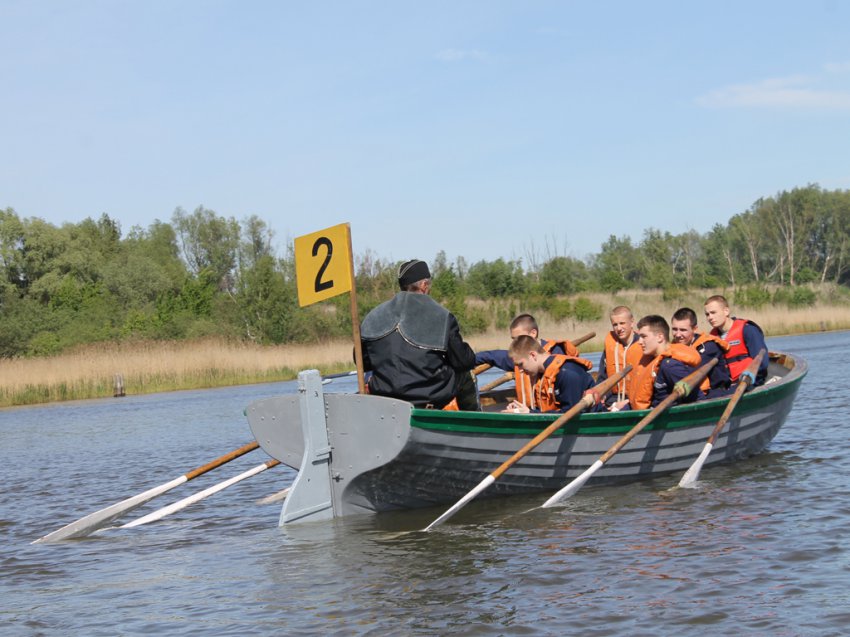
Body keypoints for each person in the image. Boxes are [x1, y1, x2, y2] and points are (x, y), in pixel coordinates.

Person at [360, 259, 478, 410]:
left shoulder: (373, 315)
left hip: (386, 399)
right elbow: (464, 361)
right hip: (428, 397)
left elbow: (363, 362)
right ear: (424, 285)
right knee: (466, 374)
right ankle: (473, 424)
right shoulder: (441, 316)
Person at [475, 313, 582, 408]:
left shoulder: (558, 355)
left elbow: (569, 401)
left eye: (518, 338)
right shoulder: (520, 357)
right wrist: (465, 359)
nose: (515, 343)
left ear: (533, 334)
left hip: (553, 413)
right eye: (513, 339)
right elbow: (492, 355)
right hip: (532, 412)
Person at [611, 315, 701, 411]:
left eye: (644, 336)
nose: (639, 342)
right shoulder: (652, 361)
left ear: (659, 337)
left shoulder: (669, 366)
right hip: (649, 412)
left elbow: (698, 400)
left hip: (664, 419)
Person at [504, 335, 595, 413]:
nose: (520, 370)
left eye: (521, 364)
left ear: (533, 355)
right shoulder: (541, 374)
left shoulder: (567, 373)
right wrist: (520, 410)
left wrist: (530, 413)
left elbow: (571, 415)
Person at [704, 295, 769, 386]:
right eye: (707, 314)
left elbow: (763, 363)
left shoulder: (748, 330)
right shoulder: (712, 338)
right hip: (727, 385)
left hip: (750, 382)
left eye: (713, 312)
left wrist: (747, 378)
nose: (710, 317)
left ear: (726, 311)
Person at [671, 307, 732, 398]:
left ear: (695, 329)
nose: (678, 335)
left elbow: (690, 373)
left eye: (683, 330)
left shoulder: (708, 347)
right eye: (675, 329)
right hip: (688, 392)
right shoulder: (674, 345)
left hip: (714, 393)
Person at [596, 306, 643, 405]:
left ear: (632, 322)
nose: (619, 328)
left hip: (634, 400)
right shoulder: (611, 346)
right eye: (615, 325)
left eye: (622, 323)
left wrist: (628, 402)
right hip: (612, 399)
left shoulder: (642, 344)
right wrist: (601, 396)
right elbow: (602, 377)